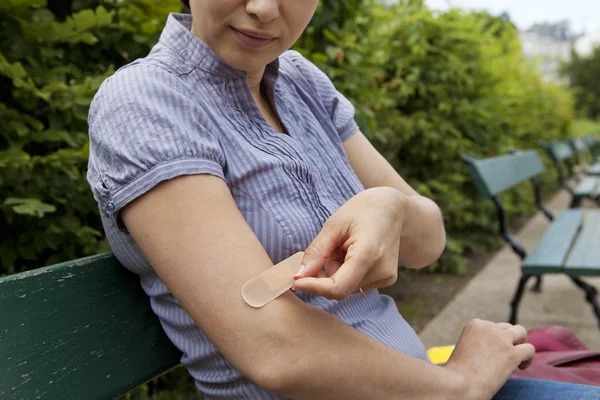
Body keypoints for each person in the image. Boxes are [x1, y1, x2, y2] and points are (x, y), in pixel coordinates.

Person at [86, 1, 600, 399]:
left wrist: (390, 207)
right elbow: (277, 349)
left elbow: (428, 241)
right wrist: (461, 384)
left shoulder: (301, 82)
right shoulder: (146, 103)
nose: (265, 9)